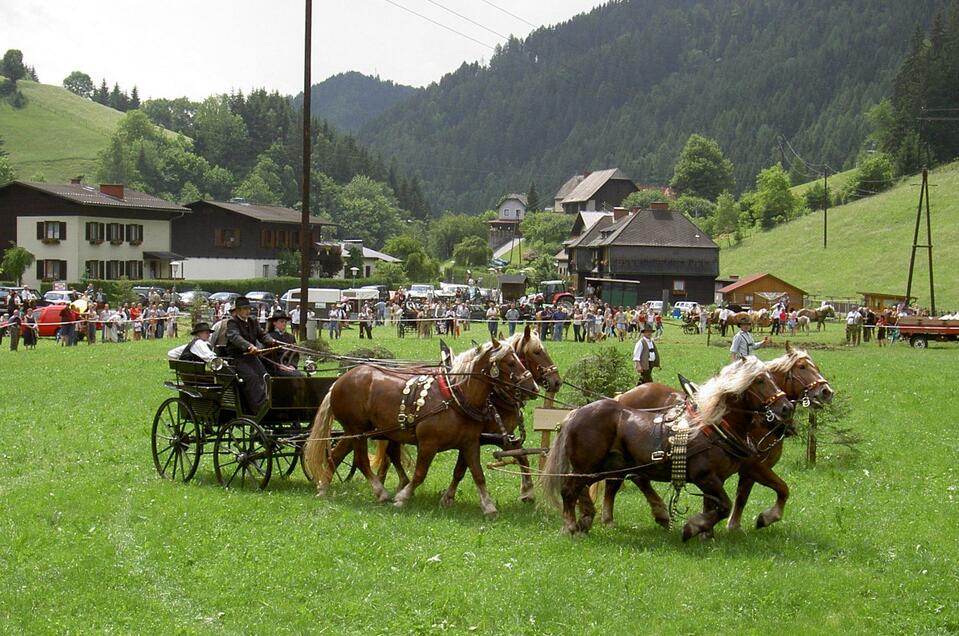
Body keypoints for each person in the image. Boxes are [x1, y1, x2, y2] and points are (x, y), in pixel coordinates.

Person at [226, 297, 278, 412]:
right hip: (237, 359)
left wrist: (271, 341)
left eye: (248, 308)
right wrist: (249, 346)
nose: (248, 311)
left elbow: (262, 335)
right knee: (252, 378)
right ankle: (259, 408)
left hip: (252, 358)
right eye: (245, 309)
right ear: (238, 310)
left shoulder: (252, 321)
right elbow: (235, 337)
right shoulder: (232, 322)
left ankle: (269, 401)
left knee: (265, 376)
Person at [264, 310, 303, 377]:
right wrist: (279, 366)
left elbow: (295, 354)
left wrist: (292, 365)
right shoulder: (268, 337)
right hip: (274, 369)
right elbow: (265, 356)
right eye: (281, 321)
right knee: (296, 376)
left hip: (289, 367)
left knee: (302, 376)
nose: (284, 323)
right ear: (274, 322)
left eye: (285, 322)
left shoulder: (291, 337)